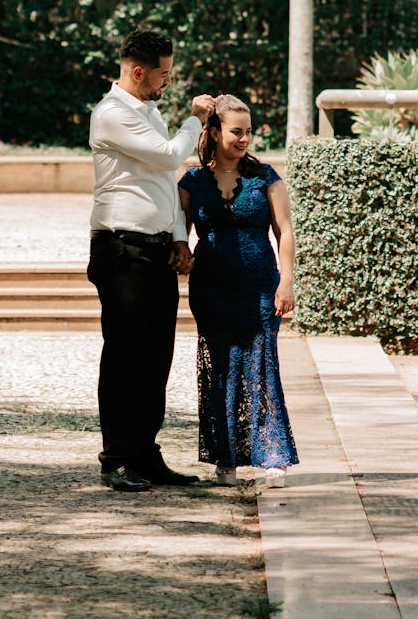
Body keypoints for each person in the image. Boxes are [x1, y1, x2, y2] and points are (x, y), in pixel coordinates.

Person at [87, 27, 215, 492]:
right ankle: (117, 457)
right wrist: (196, 118)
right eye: (162, 74)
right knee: (124, 355)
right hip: (122, 248)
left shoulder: (149, 111)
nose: (167, 83)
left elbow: (164, 186)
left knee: (156, 355)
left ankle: (146, 453)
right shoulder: (111, 114)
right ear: (137, 71)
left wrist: (180, 238)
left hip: (157, 248)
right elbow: (168, 158)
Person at [178, 94, 299, 489]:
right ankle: (224, 458)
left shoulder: (266, 176)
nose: (244, 138)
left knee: (261, 368)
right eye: (236, 131)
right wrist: (181, 251)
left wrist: (287, 280)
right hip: (211, 288)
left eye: (248, 132)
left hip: (260, 287)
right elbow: (179, 229)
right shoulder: (193, 181)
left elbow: (285, 232)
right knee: (219, 371)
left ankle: (272, 456)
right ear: (214, 132)